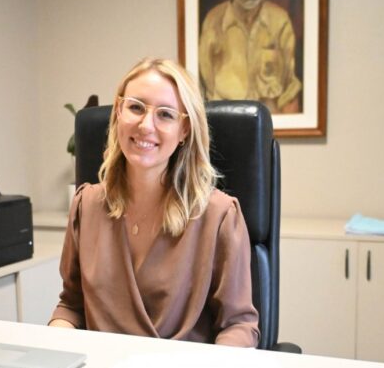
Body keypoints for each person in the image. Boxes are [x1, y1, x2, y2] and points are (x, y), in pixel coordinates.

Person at [48, 58, 260, 347]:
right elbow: (72, 306)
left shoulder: (219, 215)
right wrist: (54, 345)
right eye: (136, 107)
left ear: (184, 130)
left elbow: (238, 325)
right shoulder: (87, 205)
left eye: (165, 114)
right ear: (118, 112)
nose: (146, 125)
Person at [199, 0, 302, 114]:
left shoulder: (280, 22)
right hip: (227, 119)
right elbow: (206, 81)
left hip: (270, 121)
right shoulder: (213, 22)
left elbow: (289, 89)